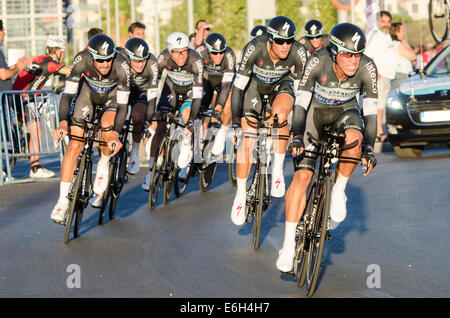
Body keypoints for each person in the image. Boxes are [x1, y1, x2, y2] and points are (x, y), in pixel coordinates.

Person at [276, 23, 378, 272]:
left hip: (346, 112)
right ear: (334, 52)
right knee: (302, 176)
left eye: (358, 54)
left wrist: (370, 148)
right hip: (314, 114)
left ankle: (339, 190)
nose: (354, 61)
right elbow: (300, 105)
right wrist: (297, 136)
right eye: (347, 54)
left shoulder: (367, 67)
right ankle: (288, 245)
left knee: (355, 137)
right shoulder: (316, 61)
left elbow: (372, 112)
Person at [230, 16, 307, 226]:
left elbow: (303, 97)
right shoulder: (254, 48)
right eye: (280, 41)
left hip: (281, 86)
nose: (285, 45)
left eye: (289, 40)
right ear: (270, 39)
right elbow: (238, 87)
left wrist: (299, 130)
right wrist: (236, 120)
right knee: (248, 139)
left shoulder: (299, 52)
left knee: (281, 116)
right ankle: (241, 194)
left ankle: (277, 170)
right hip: (254, 87)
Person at [50, 34, 131, 224]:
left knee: (107, 127)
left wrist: (116, 135)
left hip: (112, 99)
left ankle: (103, 161)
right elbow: (68, 94)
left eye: (108, 59)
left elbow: (123, 106)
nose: (105, 64)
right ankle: (62, 202)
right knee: (74, 146)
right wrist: (63, 123)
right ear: (92, 56)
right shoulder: (81, 59)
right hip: (88, 96)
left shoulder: (122, 66)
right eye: (100, 60)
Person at [88, 38, 160, 207]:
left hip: (141, 93)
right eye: (136, 60)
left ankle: (134, 150)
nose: (141, 64)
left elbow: (152, 98)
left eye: (143, 60)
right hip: (119, 94)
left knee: (137, 116)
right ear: (127, 57)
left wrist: (148, 122)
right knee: (107, 129)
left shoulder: (153, 64)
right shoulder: (119, 60)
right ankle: (103, 172)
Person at [141, 32, 203, 190]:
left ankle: (185, 144)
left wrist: (190, 122)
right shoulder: (162, 58)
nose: (181, 56)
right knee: (161, 125)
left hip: (190, 92)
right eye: (176, 52)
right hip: (171, 91)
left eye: (184, 51)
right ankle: (151, 171)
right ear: (170, 51)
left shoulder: (196, 60)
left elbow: (197, 96)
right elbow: (153, 86)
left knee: (187, 116)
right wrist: (152, 111)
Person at [12, 35, 71, 178]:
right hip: (26, 99)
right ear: (58, 50)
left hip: (19, 96)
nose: (63, 55)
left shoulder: (40, 59)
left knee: (32, 131)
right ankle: (35, 167)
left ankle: (28, 152)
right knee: (36, 131)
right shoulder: (51, 63)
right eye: (63, 52)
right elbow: (70, 71)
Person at [0, 19, 32, 180]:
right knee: (6, 140)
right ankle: (3, 171)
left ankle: (4, 171)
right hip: (2, 103)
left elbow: (4, 70)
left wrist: (17, 65)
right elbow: (4, 75)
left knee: (7, 138)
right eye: (3, 31)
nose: (4, 34)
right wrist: (18, 68)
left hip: (5, 102)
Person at [195, 32, 236, 156]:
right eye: (214, 53)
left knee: (227, 105)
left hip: (224, 82)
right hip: (206, 81)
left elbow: (226, 87)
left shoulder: (229, 55)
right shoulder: (200, 52)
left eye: (221, 52)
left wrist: (218, 108)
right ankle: (195, 143)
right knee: (198, 107)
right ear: (208, 50)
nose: (219, 56)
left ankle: (222, 133)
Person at [365, 10, 395, 143]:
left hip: (387, 75)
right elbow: (367, 54)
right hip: (379, 75)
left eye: (388, 22)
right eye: (383, 21)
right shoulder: (375, 35)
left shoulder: (386, 35)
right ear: (377, 21)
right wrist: (374, 72)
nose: (386, 24)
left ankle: (379, 130)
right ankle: (378, 132)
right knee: (377, 105)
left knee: (382, 105)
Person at [389, 22, 416, 92]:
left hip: (400, 74)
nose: (404, 32)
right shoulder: (398, 45)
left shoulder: (393, 44)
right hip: (401, 76)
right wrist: (406, 45)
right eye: (402, 30)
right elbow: (413, 56)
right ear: (396, 32)